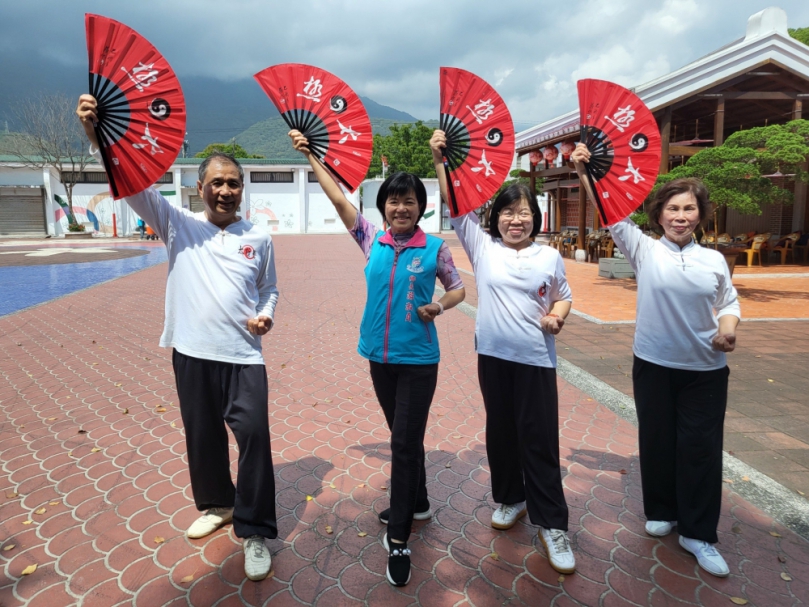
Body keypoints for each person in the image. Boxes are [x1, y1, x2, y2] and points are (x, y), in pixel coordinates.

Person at [76, 95, 280, 582]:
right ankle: (218, 504)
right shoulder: (177, 225)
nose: (226, 190)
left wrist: (266, 315)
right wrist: (96, 137)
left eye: (233, 182)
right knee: (202, 436)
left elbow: (269, 289)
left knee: (253, 438)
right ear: (199, 187)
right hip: (191, 353)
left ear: (242, 187)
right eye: (216, 183)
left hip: (243, 358)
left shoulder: (261, 238)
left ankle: (254, 531)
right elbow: (131, 184)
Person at [288, 129, 465, 587]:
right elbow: (338, 201)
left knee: (403, 444)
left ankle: (401, 537)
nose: (400, 208)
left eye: (409, 201)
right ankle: (419, 499)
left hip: (420, 360)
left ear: (420, 206)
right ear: (382, 205)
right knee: (401, 436)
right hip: (379, 360)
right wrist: (311, 158)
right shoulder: (371, 240)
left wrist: (440, 306)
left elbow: (459, 287)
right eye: (393, 200)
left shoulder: (435, 248)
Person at [572, 144, 741, 577]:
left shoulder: (713, 260)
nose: (680, 216)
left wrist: (728, 331)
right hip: (653, 364)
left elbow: (729, 302)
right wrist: (583, 170)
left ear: (699, 215)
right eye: (672, 209)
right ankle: (662, 510)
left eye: (688, 209)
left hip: (705, 370)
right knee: (658, 440)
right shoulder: (644, 250)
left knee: (700, 449)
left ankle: (698, 533)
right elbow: (609, 211)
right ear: (659, 215)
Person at [430, 131, 576, 574]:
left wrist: (557, 316)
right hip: (493, 357)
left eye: (525, 213)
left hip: (535, 359)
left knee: (540, 440)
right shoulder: (482, 246)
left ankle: (553, 524)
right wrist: (441, 161)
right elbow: (456, 204)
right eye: (510, 213)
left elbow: (564, 295)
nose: (517, 220)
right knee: (501, 432)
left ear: (537, 217)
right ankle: (511, 498)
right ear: (497, 218)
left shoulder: (548, 256)